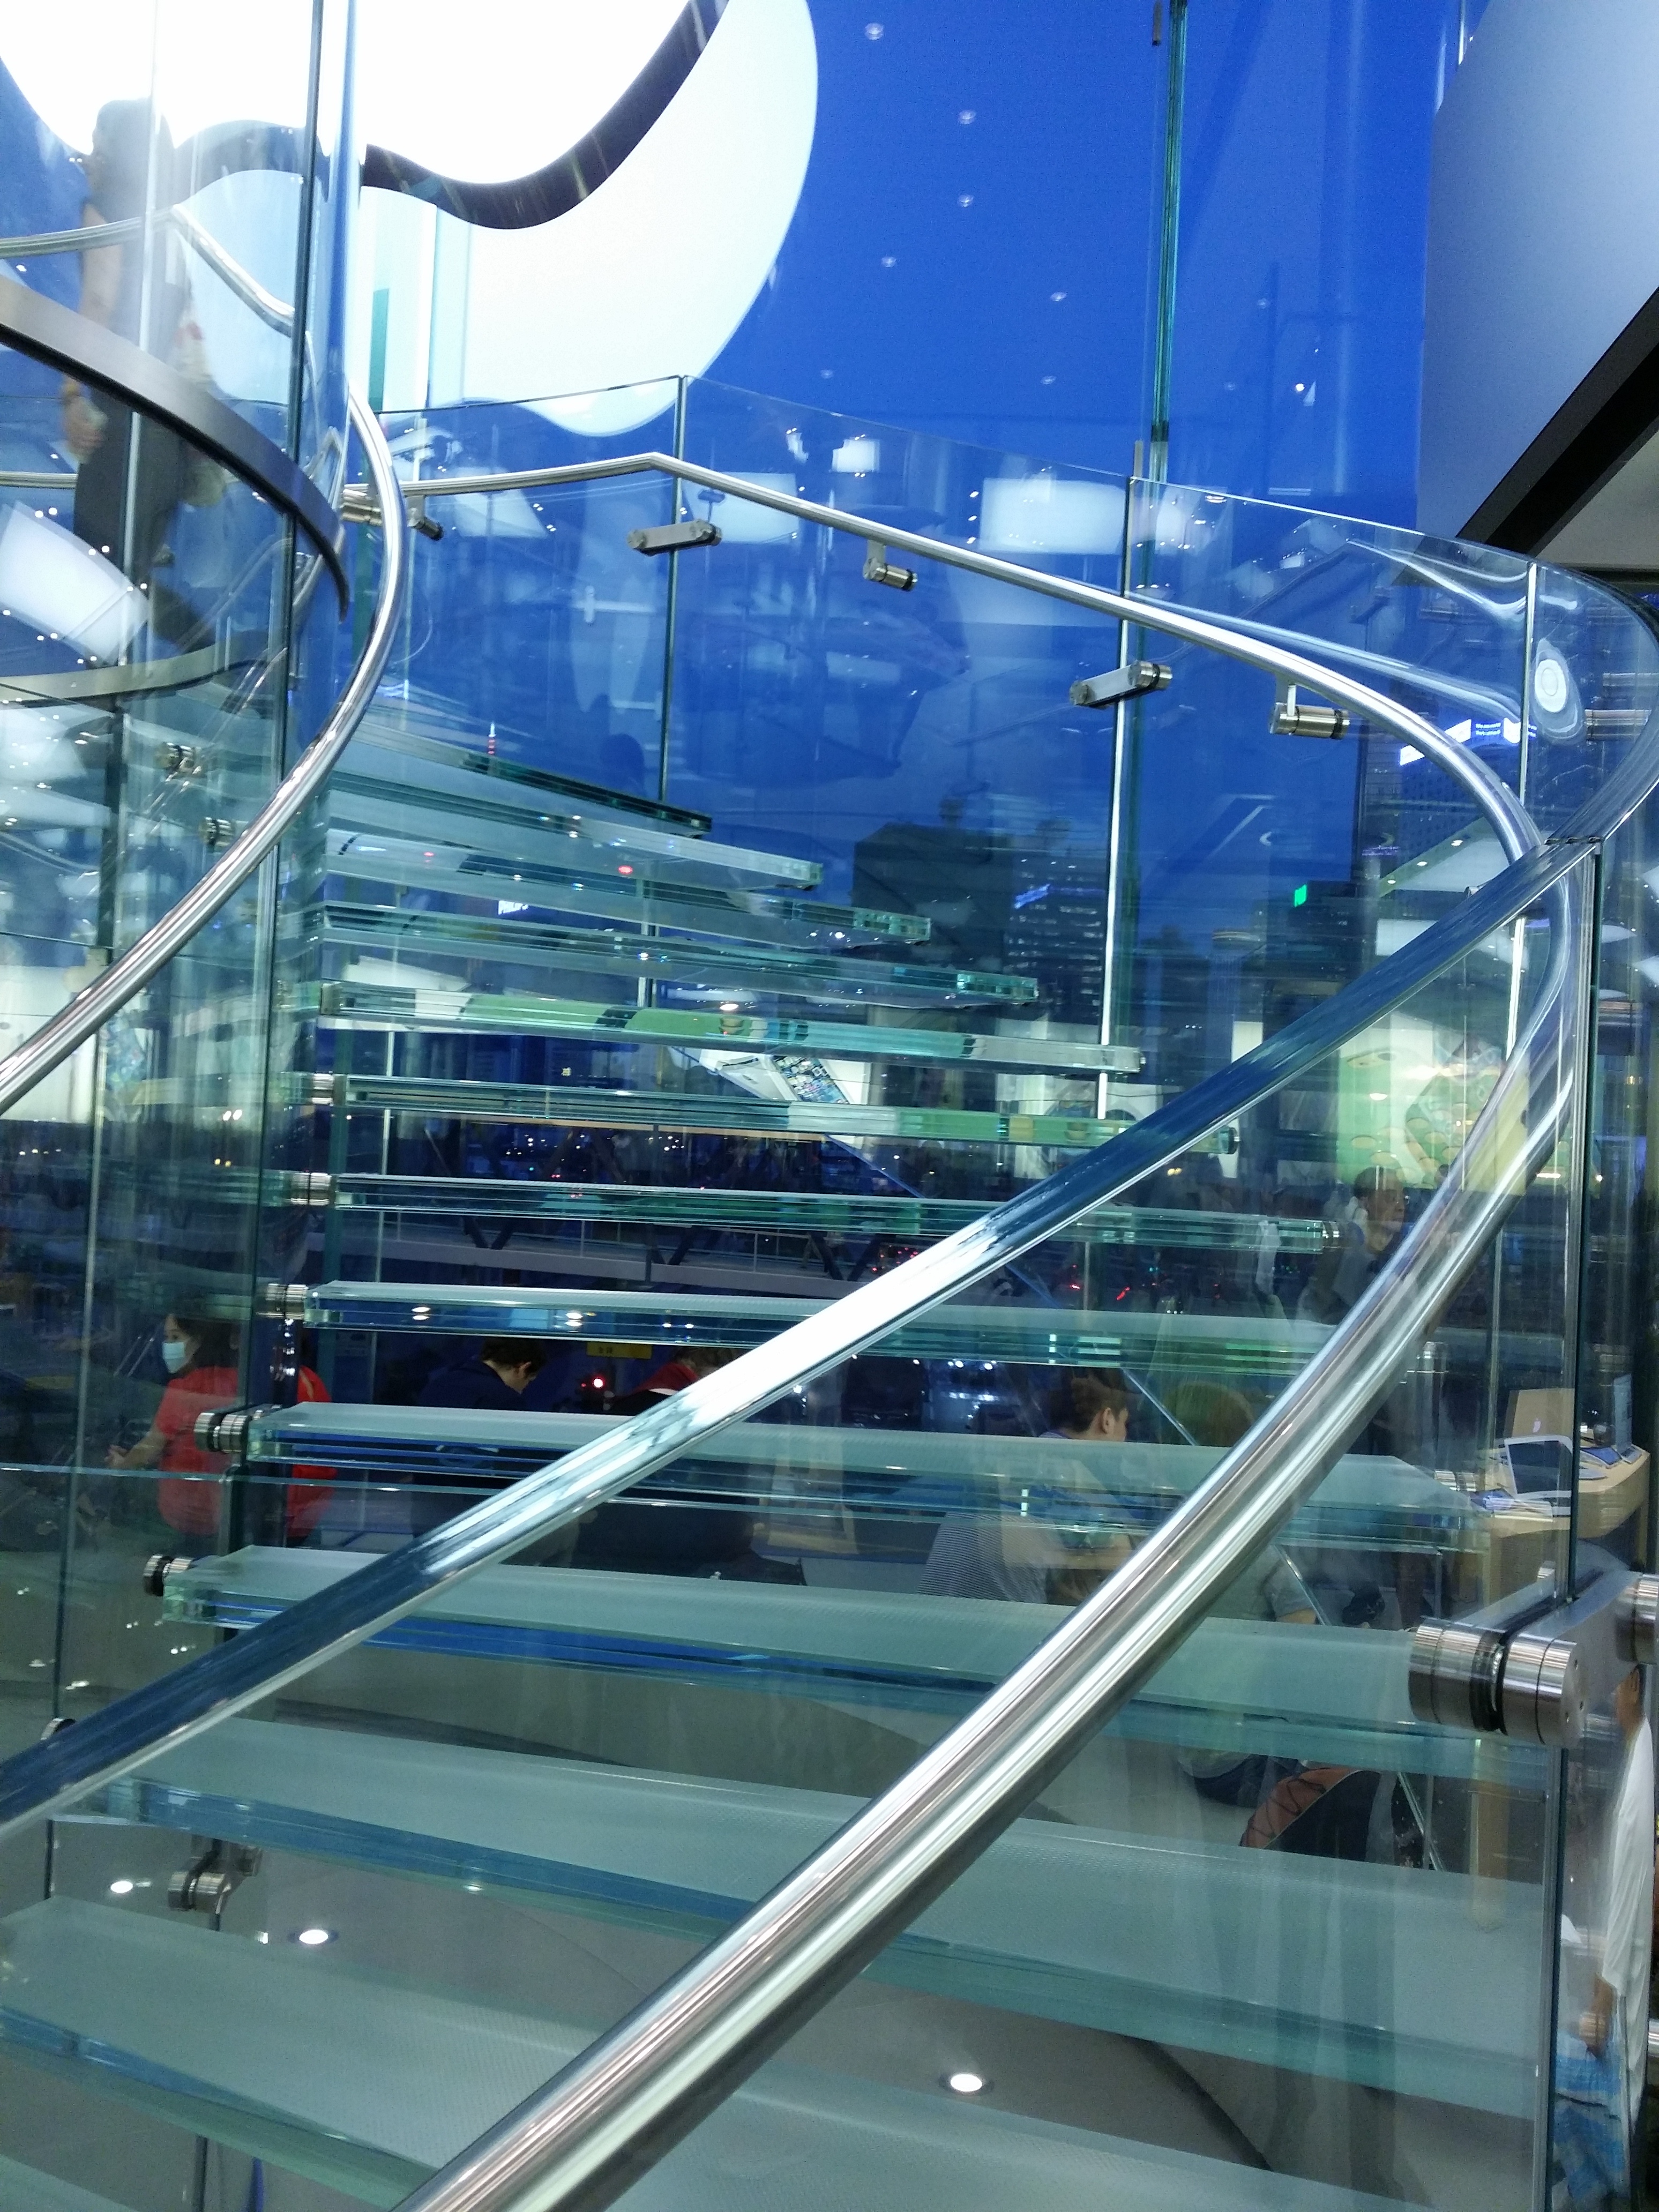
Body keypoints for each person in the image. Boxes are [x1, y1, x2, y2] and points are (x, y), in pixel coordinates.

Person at [59, 100, 204, 636]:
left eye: (98, 134)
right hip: (167, 423)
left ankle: (210, 655)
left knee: (99, 573)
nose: (90, 146)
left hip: (119, 418)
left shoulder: (104, 209)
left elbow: (99, 300)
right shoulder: (171, 222)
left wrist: (71, 394)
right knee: (132, 572)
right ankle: (214, 656)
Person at [108, 1314, 240, 1549]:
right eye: (166, 1337)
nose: (167, 1346)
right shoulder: (242, 1382)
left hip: (190, 1513)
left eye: (176, 1337)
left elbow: (150, 1448)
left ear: (198, 1341)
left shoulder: (185, 1390)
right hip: (232, 1511)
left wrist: (123, 1465)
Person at [417, 1337, 549, 1411]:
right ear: (523, 1368)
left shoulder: (438, 1384)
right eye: (529, 1380)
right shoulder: (505, 1400)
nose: (523, 1389)